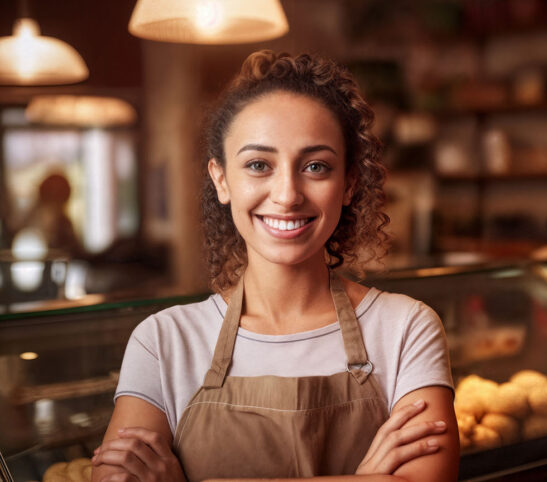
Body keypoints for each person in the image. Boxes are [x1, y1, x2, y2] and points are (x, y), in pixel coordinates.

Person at [91, 51, 459, 482]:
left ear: (349, 184)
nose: (287, 194)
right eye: (258, 165)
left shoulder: (406, 328)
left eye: (316, 166)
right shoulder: (162, 342)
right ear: (221, 179)